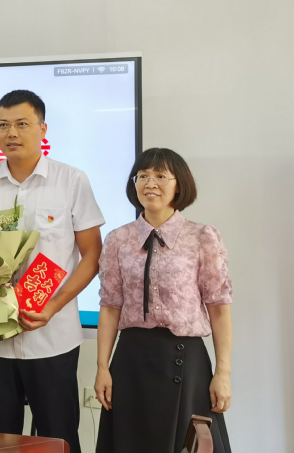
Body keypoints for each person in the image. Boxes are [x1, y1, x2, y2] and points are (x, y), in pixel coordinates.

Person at [0, 90, 104, 452]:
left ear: (42, 128)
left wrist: (53, 306)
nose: (11, 133)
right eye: (3, 125)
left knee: (57, 438)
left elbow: (91, 255)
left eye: (22, 124)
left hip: (52, 337)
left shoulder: (71, 180)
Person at [94, 148, 232, 453]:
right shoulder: (118, 239)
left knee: (190, 443)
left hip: (186, 361)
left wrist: (223, 373)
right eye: (142, 176)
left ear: (178, 184)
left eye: (160, 176)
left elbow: (219, 309)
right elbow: (110, 306)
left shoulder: (202, 237)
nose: (150, 183)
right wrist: (102, 367)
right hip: (130, 362)